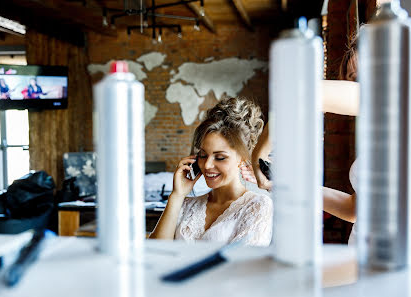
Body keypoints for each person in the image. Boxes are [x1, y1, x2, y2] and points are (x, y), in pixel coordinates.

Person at [241, 37, 359, 243]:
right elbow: (353, 210)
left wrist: (258, 154)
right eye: (353, 79)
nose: (355, 87)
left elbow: (298, 91)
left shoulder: (392, 102)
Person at [149, 97, 273, 246]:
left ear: (242, 158)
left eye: (220, 157)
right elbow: (155, 252)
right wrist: (177, 195)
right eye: (202, 155)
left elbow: (242, 265)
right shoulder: (186, 204)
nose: (207, 165)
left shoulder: (257, 206)